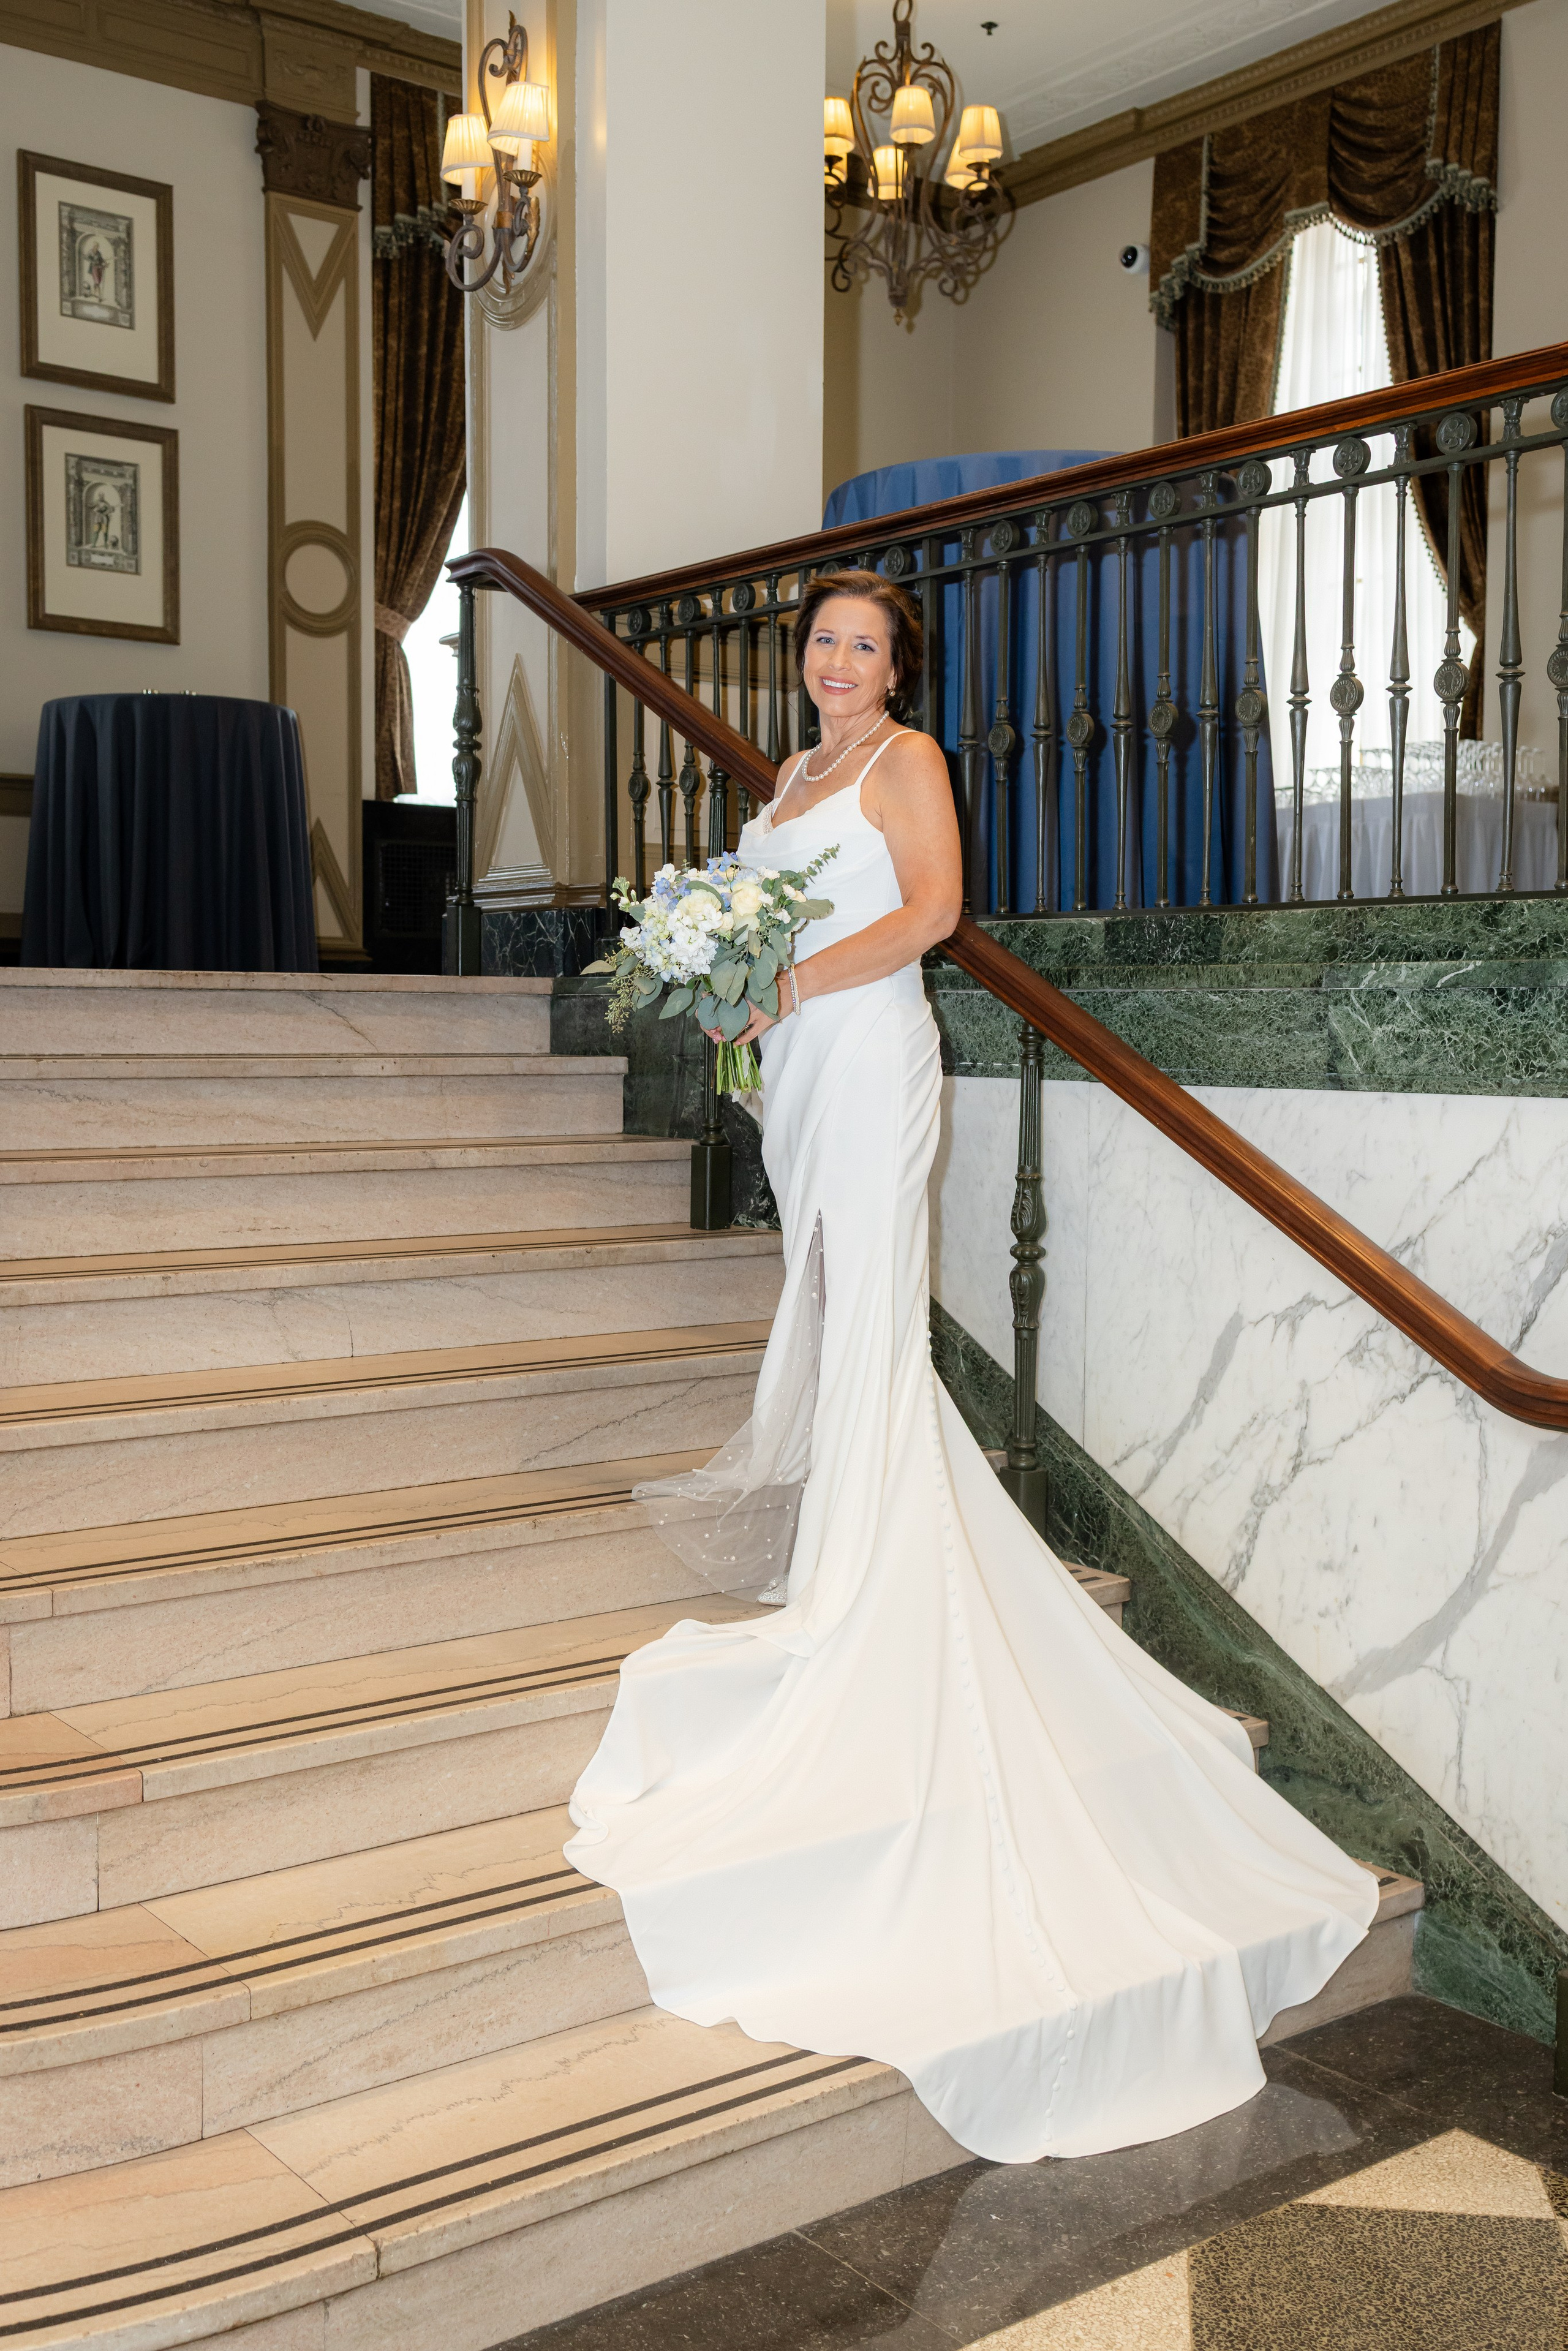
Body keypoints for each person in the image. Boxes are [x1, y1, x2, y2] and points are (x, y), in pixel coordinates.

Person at [565, 570, 1377, 2164]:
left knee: (872, 1303)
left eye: (867, 645)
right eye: (824, 642)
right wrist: (740, 992)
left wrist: (792, 978)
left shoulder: (908, 764)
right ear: (798, 662)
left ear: (897, 668)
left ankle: (877, 1585)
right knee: (830, 1292)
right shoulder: (785, 778)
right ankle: (852, 1559)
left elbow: (929, 916)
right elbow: (768, 916)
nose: (842, 664)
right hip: (795, 1064)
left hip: (868, 1056)